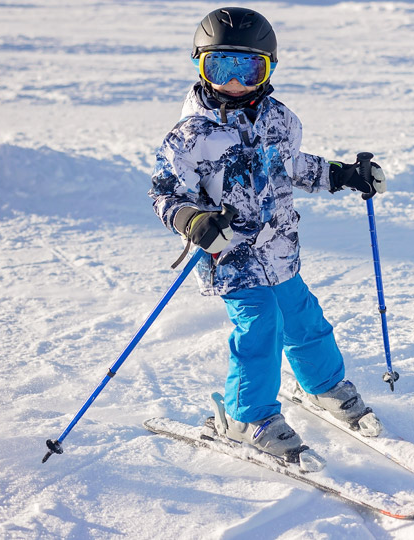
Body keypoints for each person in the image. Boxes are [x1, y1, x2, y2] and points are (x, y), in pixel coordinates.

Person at [149, 7, 386, 472]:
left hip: (280, 250)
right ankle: (246, 417)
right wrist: (192, 220)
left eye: (248, 67)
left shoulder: (280, 118)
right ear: (200, 66)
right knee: (260, 329)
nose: (234, 82)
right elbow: (164, 193)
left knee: (303, 319)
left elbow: (293, 166)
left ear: (268, 69)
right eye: (220, 67)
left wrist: (341, 175)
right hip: (230, 255)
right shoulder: (189, 136)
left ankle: (322, 386)